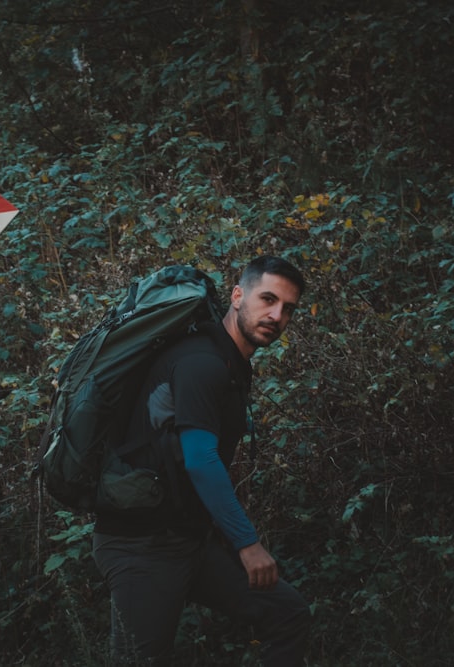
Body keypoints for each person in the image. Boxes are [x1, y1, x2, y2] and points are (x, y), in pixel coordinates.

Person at [92, 255, 312, 665]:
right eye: (268, 299)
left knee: (287, 613)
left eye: (288, 308)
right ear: (237, 295)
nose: (276, 315)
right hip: (141, 544)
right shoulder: (203, 363)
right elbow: (200, 459)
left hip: (189, 538)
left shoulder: (228, 360)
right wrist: (247, 544)